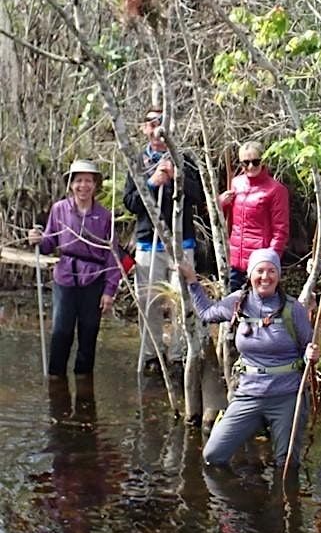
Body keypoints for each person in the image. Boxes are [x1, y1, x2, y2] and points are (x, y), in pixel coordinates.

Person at [179, 248, 319, 469]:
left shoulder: (293, 309)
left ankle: (278, 490)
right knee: (213, 455)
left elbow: (309, 348)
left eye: (271, 271)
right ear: (250, 274)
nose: (265, 277)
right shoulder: (238, 302)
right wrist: (192, 281)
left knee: (287, 464)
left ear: (279, 275)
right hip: (248, 394)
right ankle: (245, 489)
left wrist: (312, 355)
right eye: (259, 271)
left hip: (287, 396)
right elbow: (206, 313)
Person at [123, 107, 205, 375]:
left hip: (181, 244)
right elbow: (131, 203)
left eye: (163, 122)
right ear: (144, 128)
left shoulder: (185, 159)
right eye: (152, 123)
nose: (157, 128)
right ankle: (152, 354)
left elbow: (199, 197)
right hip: (149, 243)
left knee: (181, 300)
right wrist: (151, 182)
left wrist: (177, 177)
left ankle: (179, 355)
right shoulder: (137, 161)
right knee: (149, 303)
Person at [29, 159, 121, 379]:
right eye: (78, 181)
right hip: (65, 278)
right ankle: (55, 381)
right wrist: (37, 240)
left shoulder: (105, 216)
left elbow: (112, 257)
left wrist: (109, 291)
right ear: (71, 184)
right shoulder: (59, 209)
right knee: (61, 332)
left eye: (88, 181)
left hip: (94, 279)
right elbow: (48, 244)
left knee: (89, 334)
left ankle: (84, 382)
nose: (83, 186)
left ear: (95, 185)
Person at [218, 140, 290, 292]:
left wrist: (270, 260)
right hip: (235, 261)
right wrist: (220, 202)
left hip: (259, 264)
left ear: (263, 161)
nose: (250, 167)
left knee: (258, 305)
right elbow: (220, 218)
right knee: (232, 303)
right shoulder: (236, 183)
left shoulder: (276, 190)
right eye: (245, 163)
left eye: (255, 162)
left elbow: (280, 230)